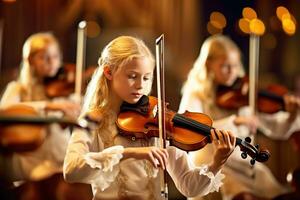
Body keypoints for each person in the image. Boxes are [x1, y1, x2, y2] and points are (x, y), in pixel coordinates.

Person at [63, 35, 238, 200]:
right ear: (109, 72)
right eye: (132, 76)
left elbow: (189, 186)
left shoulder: (158, 122)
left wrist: (217, 162)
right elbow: (71, 171)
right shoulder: (93, 120)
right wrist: (128, 153)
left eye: (147, 78)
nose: (140, 85)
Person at [178, 34, 300, 200]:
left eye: (235, 66)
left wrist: (292, 114)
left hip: (245, 166)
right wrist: (234, 121)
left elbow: (277, 129)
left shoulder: (245, 93)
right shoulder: (196, 94)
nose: (232, 72)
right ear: (208, 65)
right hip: (214, 166)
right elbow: (187, 128)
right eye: (225, 66)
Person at [0, 32, 91, 200]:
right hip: (33, 163)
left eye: (55, 56)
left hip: (61, 159)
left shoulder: (66, 91)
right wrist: (49, 106)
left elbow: (86, 113)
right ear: (30, 61)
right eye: (44, 57)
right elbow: (5, 110)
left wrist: (80, 108)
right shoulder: (18, 88)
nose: (52, 62)